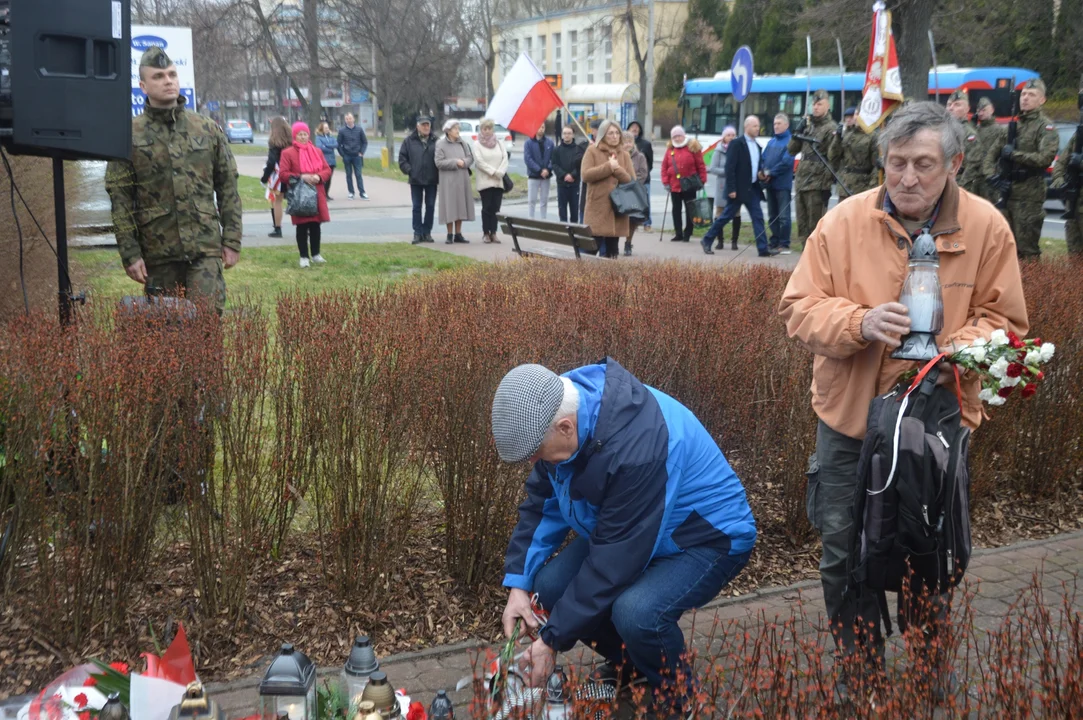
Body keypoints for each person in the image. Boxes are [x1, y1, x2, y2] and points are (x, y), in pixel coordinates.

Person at [778, 101, 1028, 698]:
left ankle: (928, 666)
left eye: (923, 164)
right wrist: (860, 323)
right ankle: (859, 669)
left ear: (955, 163)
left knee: (929, 549)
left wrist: (954, 349)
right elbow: (797, 307)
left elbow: (1004, 319)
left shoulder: (987, 226)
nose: (908, 178)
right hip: (849, 419)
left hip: (934, 419)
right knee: (844, 551)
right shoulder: (841, 222)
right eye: (896, 163)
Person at [492, 360, 756, 711]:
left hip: (705, 537)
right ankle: (634, 666)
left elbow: (612, 566)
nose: (535, 462)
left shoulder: (636, 449)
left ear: (566, 427)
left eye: (537, 453)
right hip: (634, 529)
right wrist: (519, 586)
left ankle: (678, 697)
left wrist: (550, 641)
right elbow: (543, 505)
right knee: (551, 586)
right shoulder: (557, 407)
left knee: (636, 613)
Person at [105, 46, 241, 315]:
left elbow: (228, 186)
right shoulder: (127, 135)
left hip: (204, 250)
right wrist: (130, 254)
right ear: (143, 85)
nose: (168, 81)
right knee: (167, 335)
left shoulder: (206, 129)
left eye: (172, 74)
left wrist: (232, 239)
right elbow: (120, 200)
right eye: (158, 76)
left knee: (206, 329)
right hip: (158, 254)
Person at [982, 78, 1059, 260]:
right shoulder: (1012, 126)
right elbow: (990, 156)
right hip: (1007, 192)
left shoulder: (1045, 127)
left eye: (1031, 95)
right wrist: (992, 177)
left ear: (1042, 100)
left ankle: (1032, 287)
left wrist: (1014, 155)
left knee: (1027, 250)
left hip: (1029, 195)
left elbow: (1044, 159)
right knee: (1005, 248)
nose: (1025, 98)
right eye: (1023, 94)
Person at [701, 116, 774, 257]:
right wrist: (732, 188)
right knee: (726, 216)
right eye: (754, 126)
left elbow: (756, 166)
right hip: (738, 189)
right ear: (747, 127)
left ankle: (763, 248)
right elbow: (730, 168)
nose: (757, 128)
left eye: (758, 126)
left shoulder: (757, 146)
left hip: (752, 188)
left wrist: (760, 174)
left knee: (758, 217)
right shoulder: (736, 144)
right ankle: (707, 239)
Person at [278, 122, 332, 268]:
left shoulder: (317, 151)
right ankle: (303, 256)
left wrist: (319, 177)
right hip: (299, 195)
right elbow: (283, 174)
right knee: (302, 226)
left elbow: (327, 170)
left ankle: (316, 254)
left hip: (316, 193)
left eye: (305, 134)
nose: (303, 137)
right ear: (295, 136)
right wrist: (301, 177)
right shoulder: (287, 153)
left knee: (315, 225)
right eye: (300, 134)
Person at [788, 89, 838, 245]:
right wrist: (798, 130)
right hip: (802, 180)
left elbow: (834, 158)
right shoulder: (808, 126)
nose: (815, 107)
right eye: (814, 104)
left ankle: (816, 262)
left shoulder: (831, 128)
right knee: (802, 226)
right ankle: (804, 258)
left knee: (815, 226)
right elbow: (791, 150)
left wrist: (826, 183)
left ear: (827, 105)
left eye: (819, 104)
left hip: (818, 183)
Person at [581, 119, 634, 258]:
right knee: (589, 250)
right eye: (610, 133)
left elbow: (631, 180)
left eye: (617, 133)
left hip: (618, 209)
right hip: (598, 208)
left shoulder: (625, 155)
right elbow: (585, 175)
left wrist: (616, 169)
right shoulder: (592, 150)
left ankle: (608, 279)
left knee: (612, 252)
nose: (615, 136)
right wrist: (607, 167)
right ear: (603, 134)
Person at [660, 125, 707, 242]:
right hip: (674, 186)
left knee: (690, 210)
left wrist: (702, 180)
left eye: (679, 136)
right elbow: (664, 167)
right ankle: (678, 233)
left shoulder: (693, 147)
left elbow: (701, 165)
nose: (677, 138)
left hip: (690, 184)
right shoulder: (670, 150)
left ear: (683, 135)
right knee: (676, 210)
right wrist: (666, 182)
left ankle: (688, 233)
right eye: (674, 137)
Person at [399, 115, 439, 244]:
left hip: (432, 179)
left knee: (431, 206)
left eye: (428, 125)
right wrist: (410, 170)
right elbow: (402, 159)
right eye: (423, 125)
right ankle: (417, 233)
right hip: (416, 179)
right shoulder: (409, 141)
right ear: (418, 126)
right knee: (417, 206)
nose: (426, 127)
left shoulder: (436, 140)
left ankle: (427, 232)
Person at [435, 118, 474, 244]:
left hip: (462, 179)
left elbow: (470, 157)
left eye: (458, 128)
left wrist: (465, 162)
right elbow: (438, 162)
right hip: (448, 181)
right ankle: (449, 234)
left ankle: (458, 233)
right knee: (450, 206)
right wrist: (455, 162)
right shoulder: (440, 144)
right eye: (455, 128)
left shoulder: (462, 143)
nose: (458, 131)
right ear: (448, 131)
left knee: (460, 205)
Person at [827, 107, 878, 201]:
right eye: (855, 114)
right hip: (844, 186)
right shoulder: (847, 133)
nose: (855, 117)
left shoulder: (872, 136)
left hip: (862, 187)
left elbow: (876, 166)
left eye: (857, 114)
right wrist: (837, 138)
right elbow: (832, 156)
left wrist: (871, 188)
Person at [761, 113, 795, 253]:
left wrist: (770, 173)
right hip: (770, 184)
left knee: (784, 216)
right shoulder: (771, 142)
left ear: (786, 125)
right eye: (775, 124)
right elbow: (763, 159)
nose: (776, 126)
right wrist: (763, 172)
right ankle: (774, 241)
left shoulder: (790, 142)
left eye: (779, 123)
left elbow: (786, 162)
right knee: (772, 215)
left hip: (782, 184)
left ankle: (784, 243)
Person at [473, 118, 508, 244]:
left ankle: (494, 232)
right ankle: (486, 233)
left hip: (498, 181)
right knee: (486, 208)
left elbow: (505, 158)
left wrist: (500, 172)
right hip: (485, 181)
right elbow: (479, 161)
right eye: (484, 129)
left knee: (496, 208)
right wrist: (493, 172)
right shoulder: (477, 144)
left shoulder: (499, 143)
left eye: (489, 128)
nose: (487, 131)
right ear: (481, 130)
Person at [706, 126, 739, 250]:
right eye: (728, 135)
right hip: (722, 185)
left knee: (736, 213)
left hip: (735, 185)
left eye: (733, 135)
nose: (731, 137)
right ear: (724, 137)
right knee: (719, 213)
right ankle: (720, 241)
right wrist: (728, 171)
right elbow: (713, 168)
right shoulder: (718, 151)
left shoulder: (738, 149)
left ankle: (734, 242)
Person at [965, 97, 1004, 204]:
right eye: (978, 111)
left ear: (991, 110)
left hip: (989, 176)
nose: (980, 113)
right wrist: (972, 124)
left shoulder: (999, 130)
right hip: (975, 175)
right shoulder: (975, 129)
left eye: (984, 110)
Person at [1051, 128, 1082, 255]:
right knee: (1074, 252)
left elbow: (1076, 162)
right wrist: (1059, 180)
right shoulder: (1079, 135)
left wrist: (1080, 163)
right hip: (1074, 201)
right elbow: (1061, 162)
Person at [260, 116, 292, 238]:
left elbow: (271, 162)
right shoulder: (291, 140)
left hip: (279, 174)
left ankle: (277, 228)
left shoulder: (274, 142)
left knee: (277, 201)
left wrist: (264, 177)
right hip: (291, 171)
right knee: (294, 199)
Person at [945, 90, 980, 194]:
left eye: (957, 105)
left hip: (959, 184)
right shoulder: (943, 129)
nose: (951, 108)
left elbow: (973, 165)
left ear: (967, 109)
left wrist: (959, 188)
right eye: (949, 105)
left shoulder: (969, 133)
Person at [622, 130, 649, 256]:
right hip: (620, 191)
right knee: (620, 218)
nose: (627, 144)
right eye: (625, 142)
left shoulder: (640, 157)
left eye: (630, 141)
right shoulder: (618, 155)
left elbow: (643, 173)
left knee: (632, 220)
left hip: (634, 192)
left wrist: (632, 181)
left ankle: (628, 242)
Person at [552, 125, 584, 223]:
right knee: (562, 212)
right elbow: (554, 164)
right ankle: (564, 233)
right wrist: (564, 175)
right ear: (562, 135)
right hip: (562, 184)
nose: (567, 136)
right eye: (565, 133)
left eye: (569, 133)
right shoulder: (557, 150)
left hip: (574, 184)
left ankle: (574, 235)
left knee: (574, 212)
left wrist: (572, 175)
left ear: (573, 135)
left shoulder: (578, 149)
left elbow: (581, 165)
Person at [627, 121, 654, 229]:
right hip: (627, 180)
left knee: (645, 202)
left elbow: (650, 164)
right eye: (632, 127)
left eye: (637, 127)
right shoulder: (622, 144)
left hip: (643, 180)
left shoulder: (645, 144)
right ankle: (633, 222)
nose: (635, 129)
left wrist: (641, 176)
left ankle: (647, 223)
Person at [525, 124, 555, 219]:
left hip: (546, 176)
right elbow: (528, 159)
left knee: (544, 200)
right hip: (534, 175)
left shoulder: (549, 142)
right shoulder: (529, 143)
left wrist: (548, 169)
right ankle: (531, 218)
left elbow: (553, 158)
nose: (541, 129)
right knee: (532, 200)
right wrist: (539, 170)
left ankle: (543, 219)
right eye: (539, 127)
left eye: (543, 127)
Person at [337, 112, 369, 200]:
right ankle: (351, 192)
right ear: (345, 120)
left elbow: (365, 142)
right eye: (347, 119)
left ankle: (362, 192)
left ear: (353, 119)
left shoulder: (359, 129)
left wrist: (361, 152)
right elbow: (338, 144)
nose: (349, 120)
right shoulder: (342, 131)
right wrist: (343, 154)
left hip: (357, 156)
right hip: (347, 156)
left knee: (358, 174)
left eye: (350, 118)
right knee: (348, 174)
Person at [314, 121, 338, 201]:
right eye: (325, 128)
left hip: (332, 161)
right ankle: (322, 195)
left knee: (329, 179)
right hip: (324, 161)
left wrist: (326, 145)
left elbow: (336, 144)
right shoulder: (318, 137)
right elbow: (320, 147)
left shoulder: (331, 137)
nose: (327, 129)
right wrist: (329, 148)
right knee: (324, 179)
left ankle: (326, 194)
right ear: (322, 129)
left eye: (328, 128)